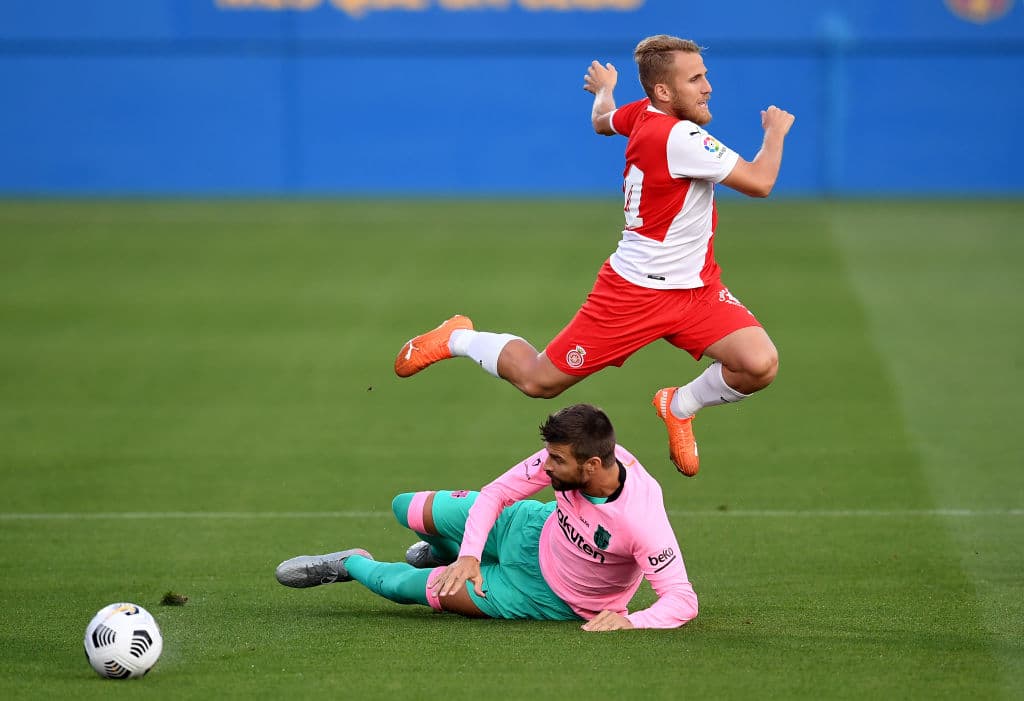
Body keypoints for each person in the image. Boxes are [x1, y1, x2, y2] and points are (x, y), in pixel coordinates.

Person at [393, 35, 795, 477]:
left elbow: (603, 121)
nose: (707, 87)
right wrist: (774, 133)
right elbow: (760, 182)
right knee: (537, 380)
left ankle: (678, 405)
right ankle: (458, 338)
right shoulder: (679, 135)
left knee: (759, 364)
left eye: (705, 75)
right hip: (633, 293)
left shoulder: (644, 113)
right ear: (664, 91)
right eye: (696, 78)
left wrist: (605, 90)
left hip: (696, 290)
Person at [275, 404, 698, 631]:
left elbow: (682, 600)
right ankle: (449, 552)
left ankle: (348, 562)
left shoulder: (642, 518)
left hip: (541, 595)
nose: (545, 467)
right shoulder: (575, 461)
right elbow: (497, 493)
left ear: (591, 465)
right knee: (408, 507)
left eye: (556, 460)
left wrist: (630, 621)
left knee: (399, 586)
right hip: (529, 527)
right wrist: (471, 554)